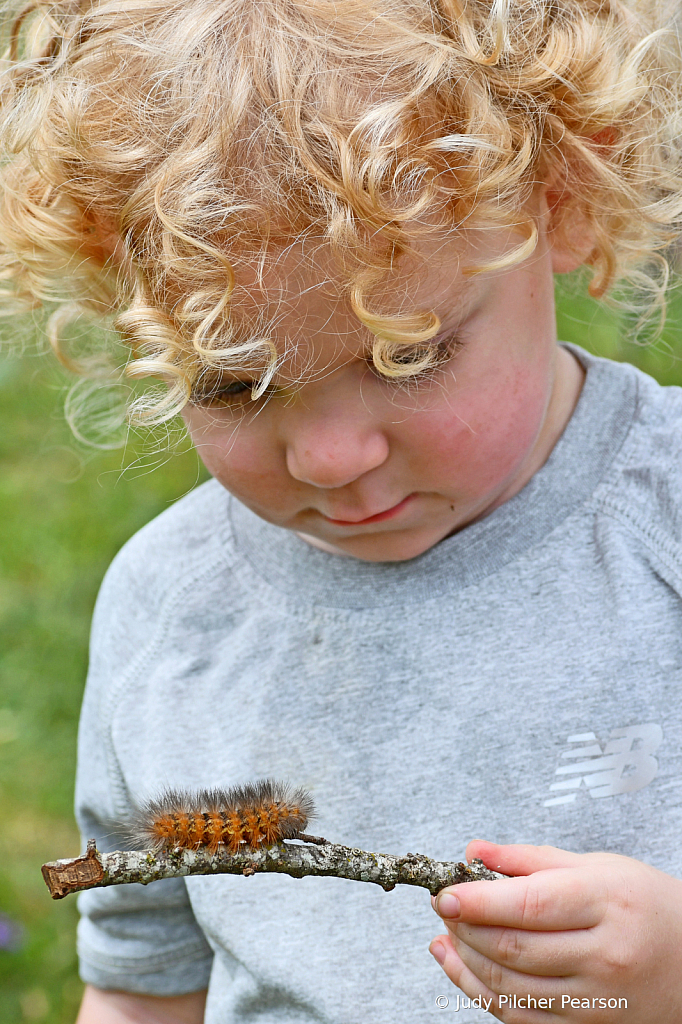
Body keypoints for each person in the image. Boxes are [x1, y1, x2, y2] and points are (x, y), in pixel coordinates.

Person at [1, 0, 682, 1021]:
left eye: (407, 354)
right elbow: (145, 980)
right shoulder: (168, 610)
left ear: (564, 194)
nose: (330, 456)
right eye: (235, 381)